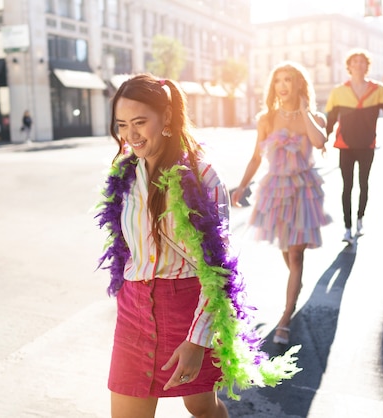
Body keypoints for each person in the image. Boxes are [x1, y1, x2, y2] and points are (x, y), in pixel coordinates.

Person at [96, 74, 300, 418]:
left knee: (201, 406)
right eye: (122, 125)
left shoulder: (202, 177)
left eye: (140, 122)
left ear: (167, 118)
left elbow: (217, 268)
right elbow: (126, 249)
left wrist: (197, 340)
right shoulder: (124, 175)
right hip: (133, 311)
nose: (130, 135)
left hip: (186, 310)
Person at [231, 61, 330, 346]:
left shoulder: (314, 117)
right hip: (275, 192)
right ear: (273, 86)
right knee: (288, 255)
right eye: (279, 80)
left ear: (299, 84)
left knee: (296, 256)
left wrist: (303, 110)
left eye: (289, 80)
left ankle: (286, 316)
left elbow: (320, 141)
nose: (283, 85)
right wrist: (242, 185)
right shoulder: (266, 119)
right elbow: (256, 157)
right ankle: (295, 288)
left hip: (303, 191)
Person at [324, 48, 383, 243]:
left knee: (363, 185)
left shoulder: (378, 90)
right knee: (347, 186)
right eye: (355, 61)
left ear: (367, 66)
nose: (358, 64)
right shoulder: (339, 91)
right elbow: (330, 118)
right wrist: (323, 138)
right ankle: (347, 228)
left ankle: (360, 219)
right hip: (345, 145)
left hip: (367, 144)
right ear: (349, 66)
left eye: (362, 61)